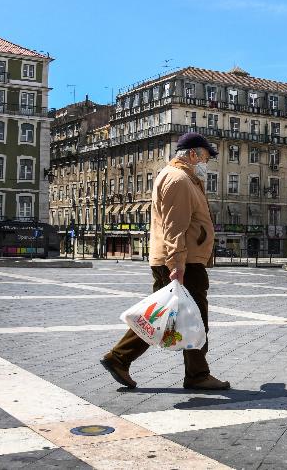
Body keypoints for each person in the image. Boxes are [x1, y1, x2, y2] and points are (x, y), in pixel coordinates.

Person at [100, 132, 230, 390]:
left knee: (166, 317)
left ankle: (120, 358)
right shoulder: (178, 179)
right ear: (193, 154)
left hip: (184, 259)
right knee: (193, 319)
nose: (208, 162)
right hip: (184, 262)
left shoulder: (185, 178)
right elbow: (174, 227)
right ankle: (196, 375)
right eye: (206, 156)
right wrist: (177, 265)